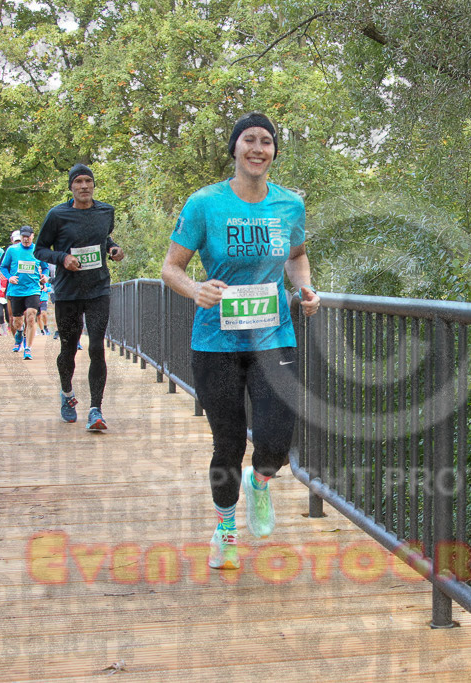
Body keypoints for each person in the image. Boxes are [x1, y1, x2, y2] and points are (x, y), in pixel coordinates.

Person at [161, 112, 320, 570]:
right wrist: (197, 289)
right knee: (227, 443)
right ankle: (225, 531)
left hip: (274, 337)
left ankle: (262, 482)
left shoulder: (290, 205)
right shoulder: (204, 204)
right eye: (248, 140)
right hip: (217, 343)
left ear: (273, 152)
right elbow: (170, 268)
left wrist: (304, 288)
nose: (257, 148)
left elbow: (297, 255)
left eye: (266, 141)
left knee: (275, 438)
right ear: (234, 149)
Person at [34, 164, 124, 430]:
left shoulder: (106, 211)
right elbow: (40, 250)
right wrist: (63, 258)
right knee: (69, 349)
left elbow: (104, 238)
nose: (84, 186)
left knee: (97, 347)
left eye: (88, 181)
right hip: (68, 293)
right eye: (78, 182)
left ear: (93, 185)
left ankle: (96, 409)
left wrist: (114, 249)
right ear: (71, 187)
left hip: (98, 289)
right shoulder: (57, 215)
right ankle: (67, 394)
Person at [0, 225, 49, 360]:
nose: (26, 239)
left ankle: (28, 348)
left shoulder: (38, 250)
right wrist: (10, 277)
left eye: (28, 236)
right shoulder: (12, 250)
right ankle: (20, 333)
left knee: (31, 316)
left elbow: (45, 268)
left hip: (33, 289)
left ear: (33, 236)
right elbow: (3, 267)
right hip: (16, 290)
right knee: (17, 321)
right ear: (20, 237)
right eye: (23, 236)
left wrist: (45, 277)